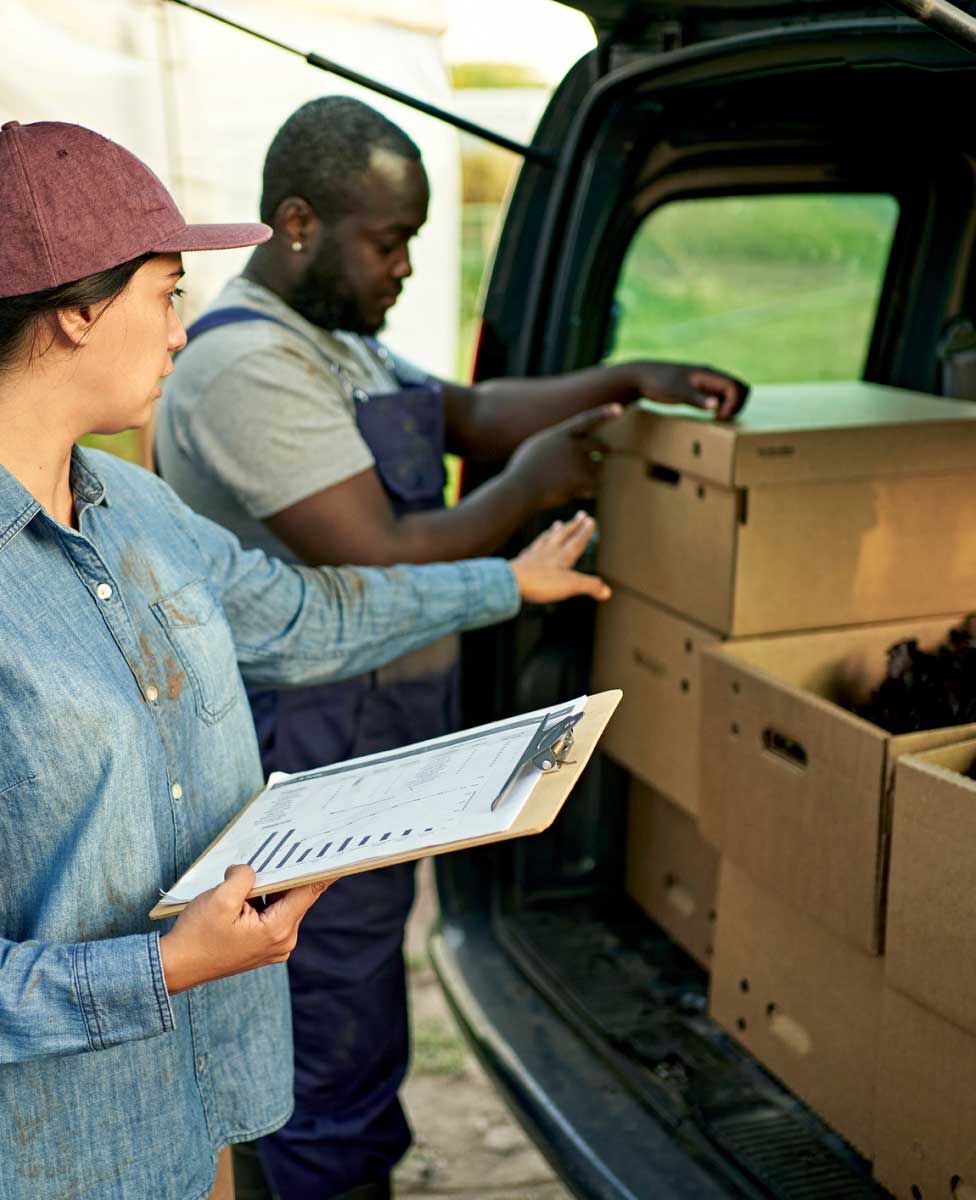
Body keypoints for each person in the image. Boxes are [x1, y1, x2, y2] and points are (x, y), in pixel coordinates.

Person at [0, 120, 612, 1200]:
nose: (183, 330)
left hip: (183, 1120)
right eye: (169, 292)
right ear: (79, 310)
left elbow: (302, 615)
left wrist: (507, 584)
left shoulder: (134, 508)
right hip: (7, 1164)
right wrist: (163, 969)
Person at [153, 96, 748, 1200]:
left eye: (415, 240)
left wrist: (631, 379)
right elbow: (379, 550)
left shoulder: (341, 344)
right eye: (390, 241)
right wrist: (533, 492)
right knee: (320, 1025)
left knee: (358, 1001)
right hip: (303, 745)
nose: (408, 267)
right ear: (297, 223)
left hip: (372, 735)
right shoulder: (246, 367)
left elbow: (470, 412)